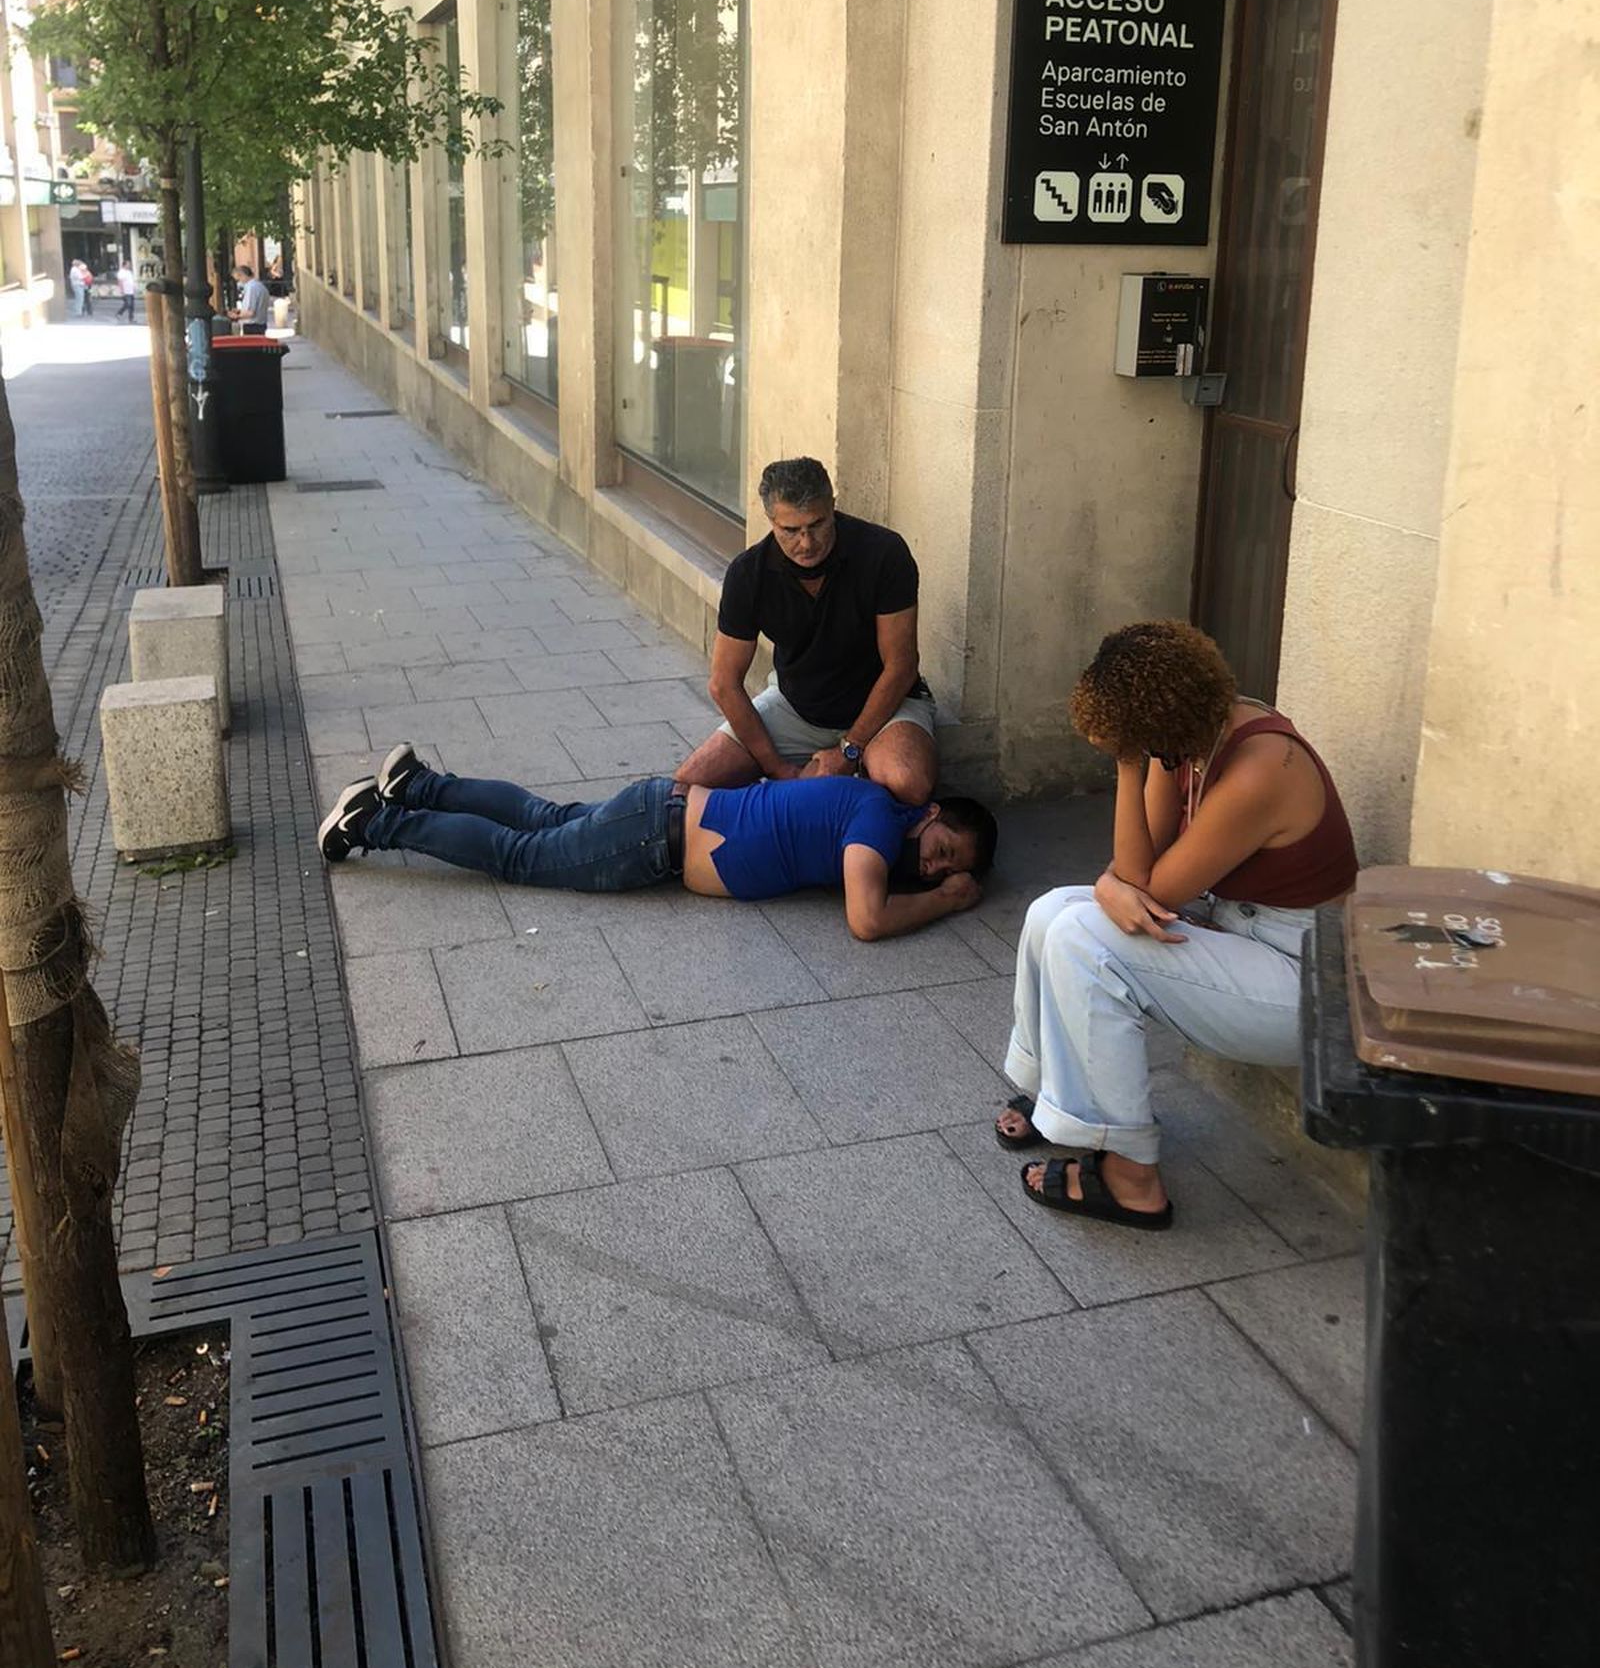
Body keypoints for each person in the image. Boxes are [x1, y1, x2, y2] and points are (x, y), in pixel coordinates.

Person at [998, 620, 1357, 1232]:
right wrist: (1118, 870)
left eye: (1134, 744)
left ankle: (1133, 1179)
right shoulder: (1189, 736)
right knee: (1051, 910)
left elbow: (1146, 888)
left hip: (1302, 981)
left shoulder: (1260, 768)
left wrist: (1129, 769)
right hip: (1238, 932)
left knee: (1082, 940)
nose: (1139, 758)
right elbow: (1134, 871)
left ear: (1161, 723)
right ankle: (1051, 1093)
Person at [319, 742, 997, 940]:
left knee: (540, 815)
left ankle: (417, 782)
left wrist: (932, 886)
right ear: (927, 811)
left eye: (948, 867)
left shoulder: (868, 810)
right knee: (517, 853)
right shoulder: (880, 819)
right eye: (944, 845)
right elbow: (867, 918)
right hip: (655, 841)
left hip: (660, 810)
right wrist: (949, 900)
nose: (937, 864)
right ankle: (375, 821)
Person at [675, 457, 938, 806]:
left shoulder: (883, 553)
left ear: (832, 506)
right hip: (795, 706)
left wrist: (850, 749)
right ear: (771, 521)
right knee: (688, 786)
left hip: (885, 707)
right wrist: (777, 768)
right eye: (790, 530)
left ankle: (844, 805)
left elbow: (902, 665)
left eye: (817, 524)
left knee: (907, 783)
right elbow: (724, 684)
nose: (806, 542)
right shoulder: (748, 574)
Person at [230, 261, 270, 334]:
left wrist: (236, 316)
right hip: (261, 325)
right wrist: (240, 311)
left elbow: (250, 313)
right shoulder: (260, 286)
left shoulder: (251, 288)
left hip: (253, 326)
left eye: (238, 279)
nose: (239, 282)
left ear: (242, 275)